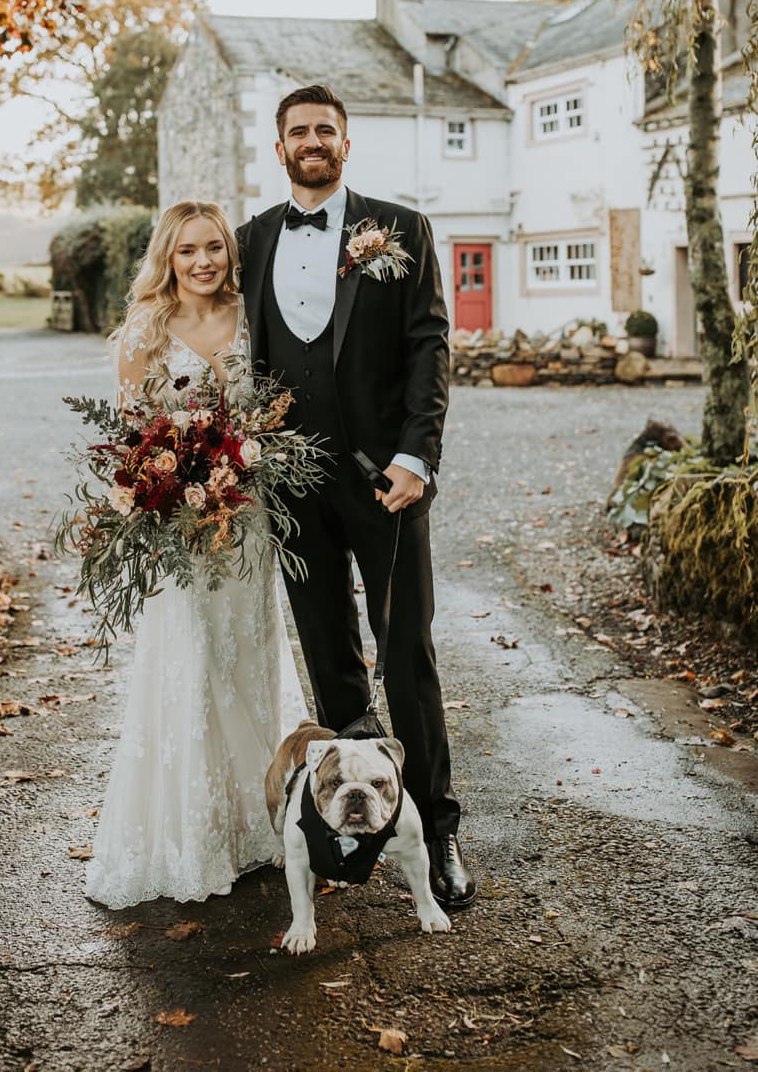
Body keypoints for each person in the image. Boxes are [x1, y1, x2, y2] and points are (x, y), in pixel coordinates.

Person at [236, 84, 476, 909]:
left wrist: (417, 456)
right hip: (292, 487)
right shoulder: (250, 240)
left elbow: (430, 345)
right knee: (332, 662)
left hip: (387, 482)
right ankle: (353, 826)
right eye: (299, 131)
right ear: (280, 149)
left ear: (346, 143)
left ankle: (437, 829)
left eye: (326, 130)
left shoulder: (401, 228)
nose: (313, 141)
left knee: (406, 657)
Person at [84, 201, 306, 908]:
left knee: (248, 657)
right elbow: (131, 439)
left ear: (229, 254)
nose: (203, 261)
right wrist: (168, 485)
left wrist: (242, 463)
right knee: (194, 659)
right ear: (168, 258)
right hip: (181, 530)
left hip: (246, 522)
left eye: (214, 247)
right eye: (187, 251)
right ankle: (193, 831)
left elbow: (275, 410)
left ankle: (253, 820)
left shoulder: (252, 317)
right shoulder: (143, 331)